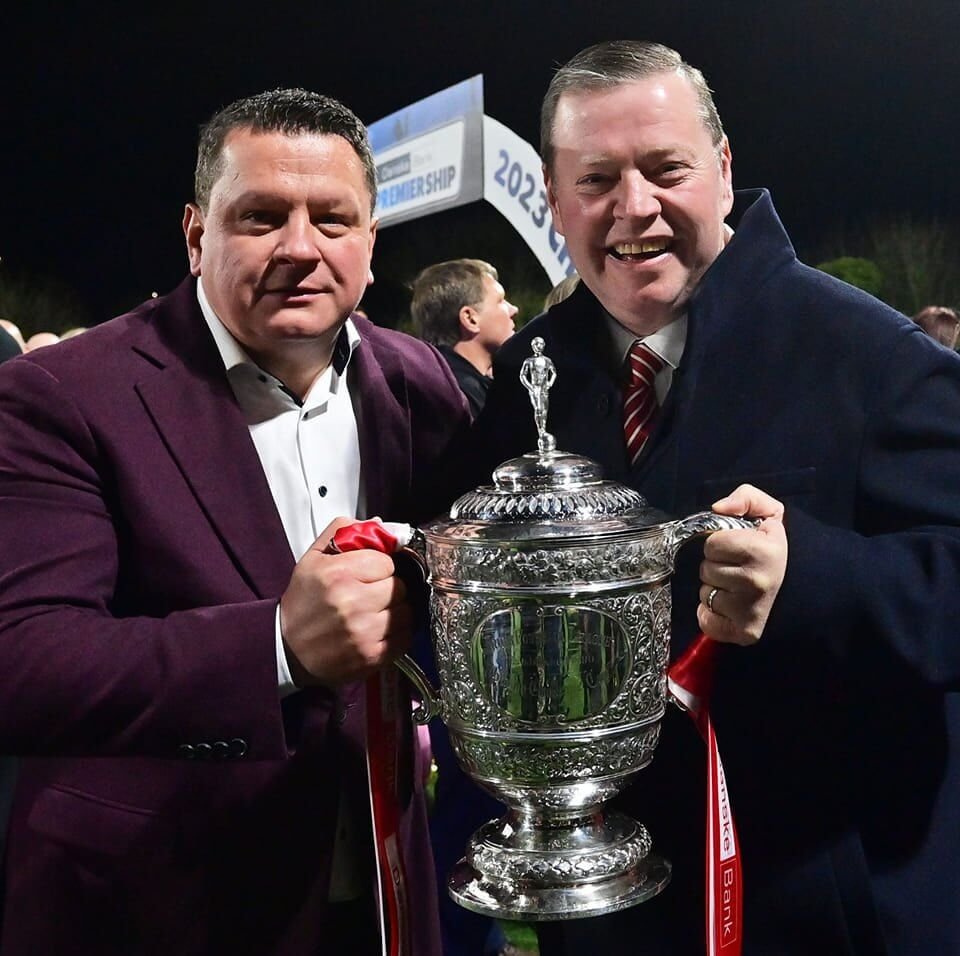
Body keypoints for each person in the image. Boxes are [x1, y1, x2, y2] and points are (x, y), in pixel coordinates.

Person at [450, 40, 960, 955]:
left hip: (821, 907)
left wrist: (816, 576)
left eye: (665, 168)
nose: (633, 206)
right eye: (596, 178)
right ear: (558, 200)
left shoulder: (872, 357)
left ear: (722, 172)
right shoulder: (532, 376)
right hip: (607, 914)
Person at [0, 88, 470, 955]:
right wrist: (278, 648)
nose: (300, 247)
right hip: (157, 904)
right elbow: (23, 661)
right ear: (194, 235)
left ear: (371, 243)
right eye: (261, 217)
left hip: (380, 894)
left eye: (333, 219)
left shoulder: (426, 388)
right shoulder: (61, 394)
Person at [410, 258, 517, 417]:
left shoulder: (443, 384)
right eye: (500, 301)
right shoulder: (460, 399)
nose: (514, 309)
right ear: (470, 319)